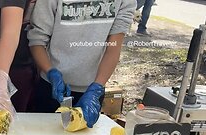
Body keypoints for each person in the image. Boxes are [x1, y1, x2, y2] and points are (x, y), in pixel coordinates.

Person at [28, 0, 136, 128]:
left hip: (91, 90)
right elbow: (37, 41)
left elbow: (113, 48)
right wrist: (51, 72)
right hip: (51, 87)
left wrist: (97, 88)